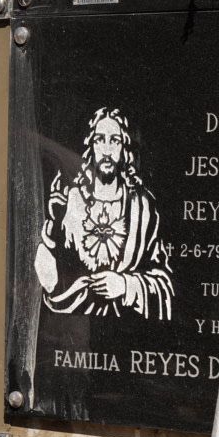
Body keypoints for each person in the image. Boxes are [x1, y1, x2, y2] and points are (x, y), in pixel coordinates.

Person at [36, 106, 174, 319]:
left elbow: (165, 283)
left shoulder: (142, 207)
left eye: (114, 141)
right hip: (69, 327)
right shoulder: (68, 200)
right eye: (100, 140)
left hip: (126, 330)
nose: (107, 150)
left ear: (124, 148)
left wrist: (126, 285)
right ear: (91, 146)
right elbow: (50, 274)